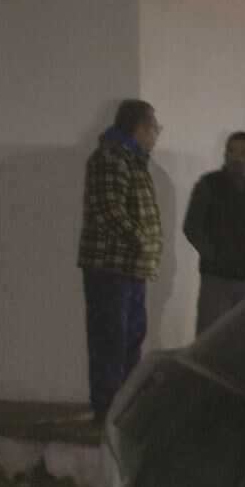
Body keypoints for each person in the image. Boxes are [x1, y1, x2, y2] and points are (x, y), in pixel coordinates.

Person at [76, 98, 162, 421]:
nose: (156, 135)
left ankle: (123, 409)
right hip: (111, 268)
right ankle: (108, 411)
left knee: (130, 339)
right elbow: (111, 211)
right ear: (140, 128)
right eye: (155, 128)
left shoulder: (133, 159)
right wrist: (143, 241)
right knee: (110, 340)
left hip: (131, 268)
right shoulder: (111, 158)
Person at [183, 131, 245, 333]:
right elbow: (192, 226)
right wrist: (212, 255)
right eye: (232, 151)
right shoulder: (208, 184)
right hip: (216, 280)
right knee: (210, 339)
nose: (238, 157)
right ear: (225, 154)